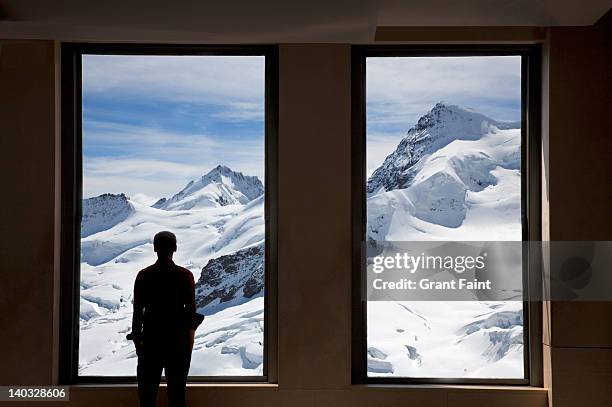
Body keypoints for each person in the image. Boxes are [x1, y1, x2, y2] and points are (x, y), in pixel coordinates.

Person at [128, 231, 204, 407]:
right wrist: (188, 342)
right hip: (177, 343)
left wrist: (138, 343)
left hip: (150, 342)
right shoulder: (185, 275)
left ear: (155, 248)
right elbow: (190, 312)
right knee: (177, 397)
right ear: (175, 248)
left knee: (147, 398)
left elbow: (137, 312)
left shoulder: (143, 275)